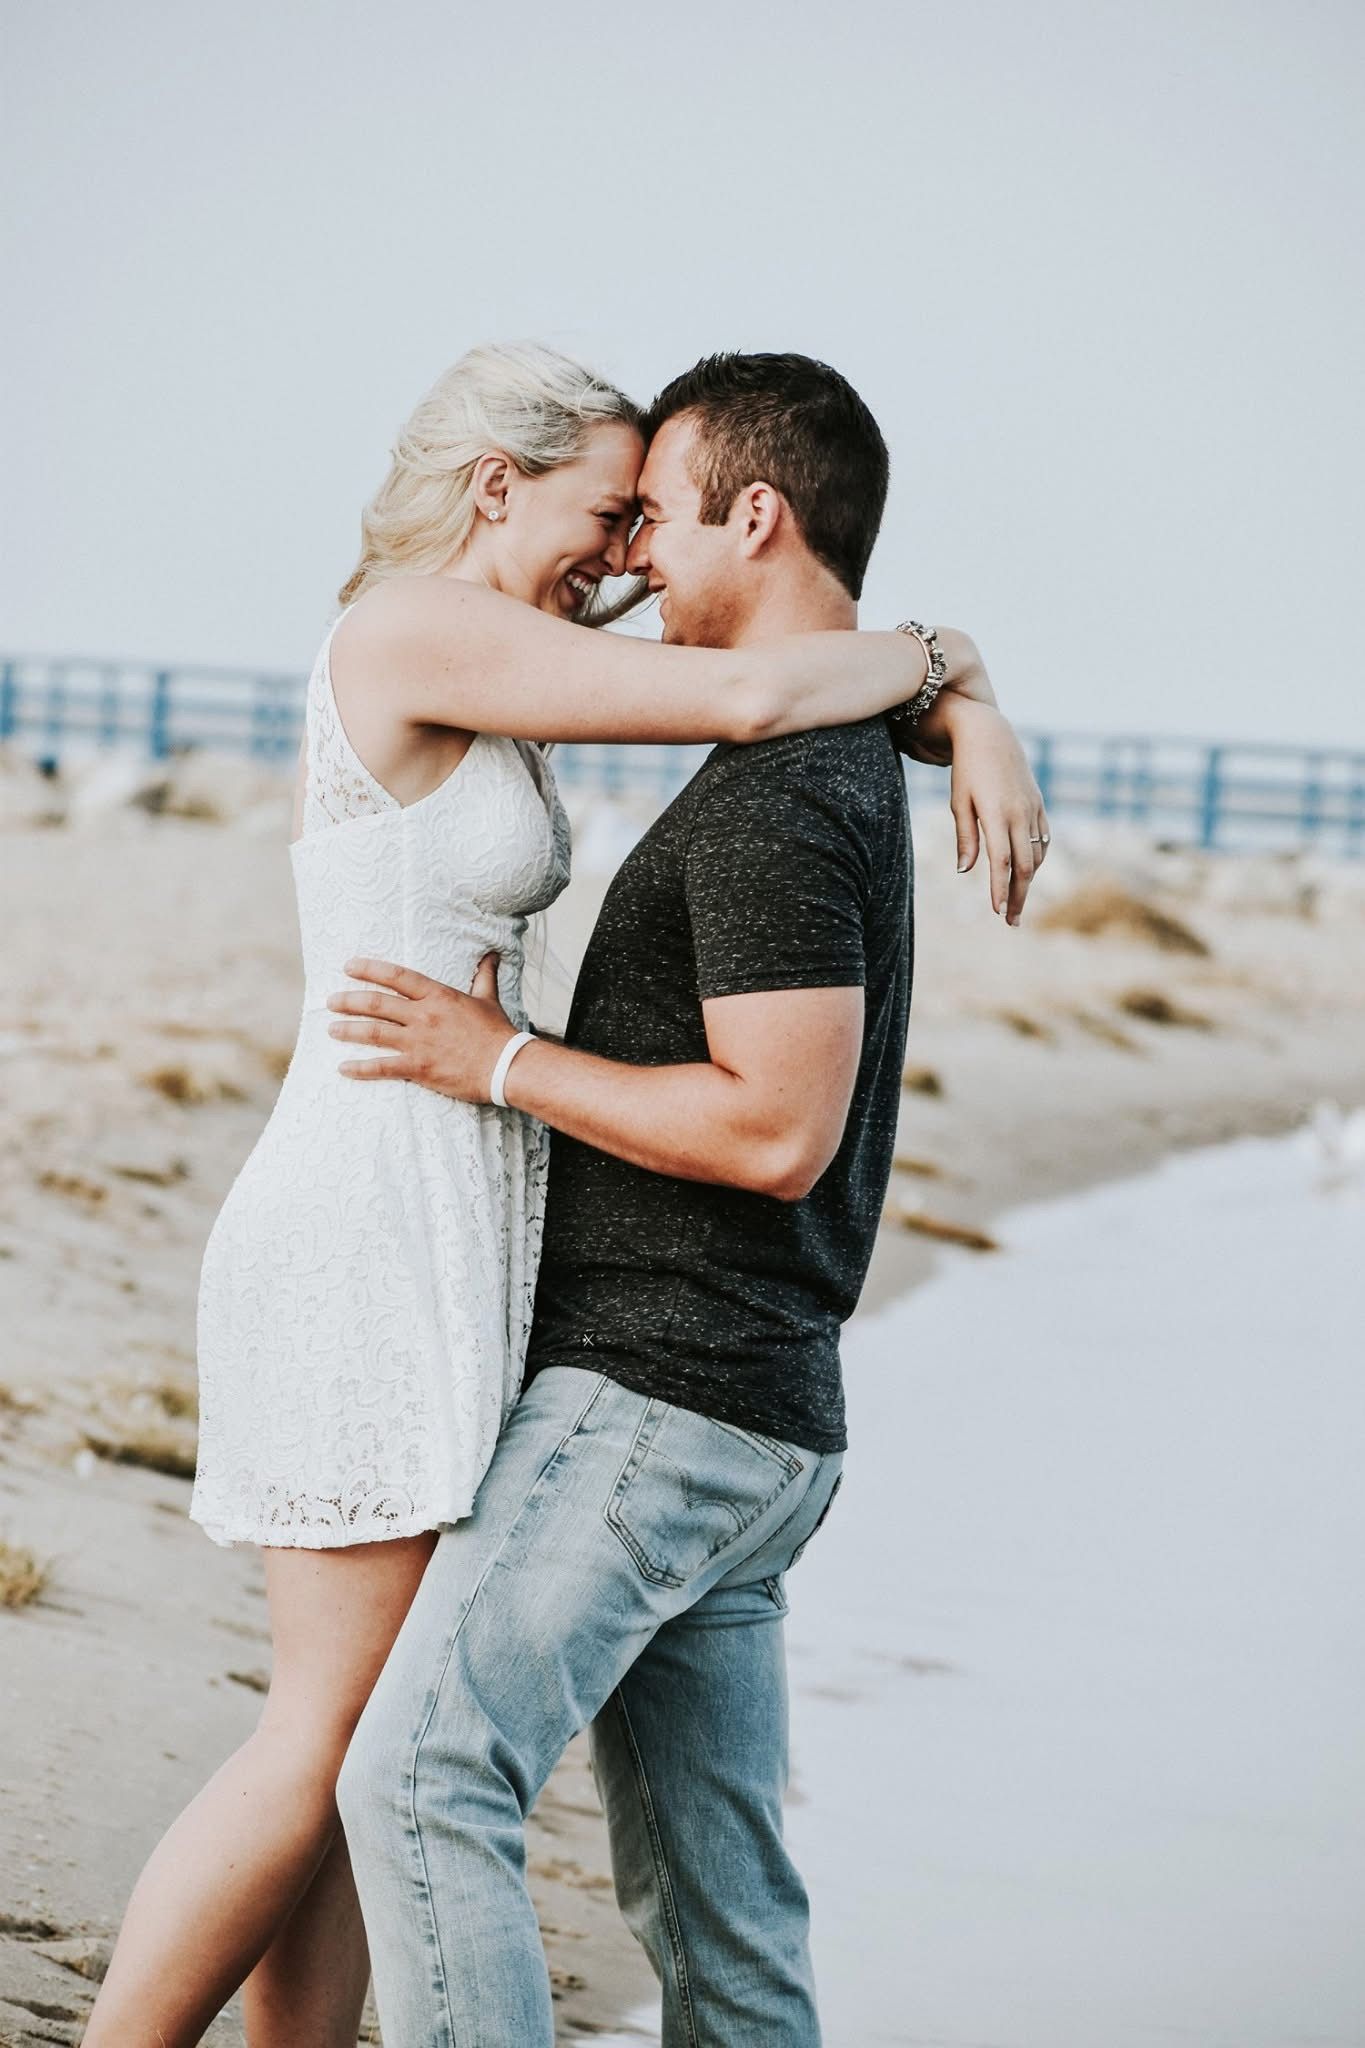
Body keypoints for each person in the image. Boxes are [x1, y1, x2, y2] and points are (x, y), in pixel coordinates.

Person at [82, 342, 1043, 2048]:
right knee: (343, 1739)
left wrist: (952, 697)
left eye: (640, 522)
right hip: (379, 1189)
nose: (620, 557)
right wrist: (958, 674)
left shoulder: (524, 648)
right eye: (609, 515)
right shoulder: (412, 626)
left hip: (475, 1202)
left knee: (372, 1734)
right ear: (493, 484)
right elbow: (749, 693)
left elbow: (754, 658)